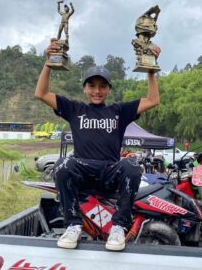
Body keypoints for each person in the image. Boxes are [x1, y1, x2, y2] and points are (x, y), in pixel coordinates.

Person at [35, 40, 161, 251]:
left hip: (110, 172)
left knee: (131, 165)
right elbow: (41, 93)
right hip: (82, 171)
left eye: (102, 86)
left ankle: (119, 227)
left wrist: (151, 70)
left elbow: (153, 99)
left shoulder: (119, 111)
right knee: (63, 164)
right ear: (84, 88)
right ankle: (73, 225)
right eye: (92, 85)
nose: (97, 90)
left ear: (109, 89)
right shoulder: (74, 108)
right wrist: (48, 63)